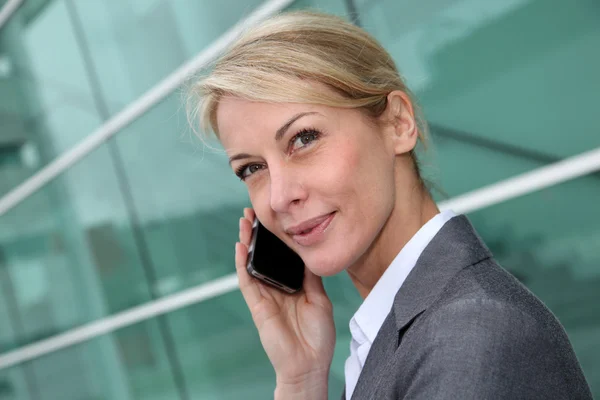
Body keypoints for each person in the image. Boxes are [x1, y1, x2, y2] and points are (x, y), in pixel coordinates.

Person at [188, 11, 592, 400]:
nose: (278, 197)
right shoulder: (398, 331)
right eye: (252, 168)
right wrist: (300, 382)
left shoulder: (470, 332)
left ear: (398, 123)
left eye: (304, 138)